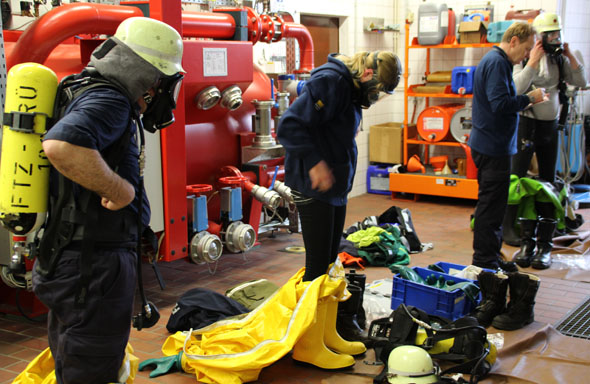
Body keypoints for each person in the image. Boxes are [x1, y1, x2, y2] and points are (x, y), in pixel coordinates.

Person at [31, 17, 185, 384]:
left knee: (76, 355)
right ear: (143, 71)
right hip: (92, 263)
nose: (156, 91)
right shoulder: (109, 99)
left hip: (73, 254)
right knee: (92, 363)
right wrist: (121, 191)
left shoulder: (81, 88)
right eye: (157, 79)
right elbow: (62, 146)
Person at [277, 51, 401, 282]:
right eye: (376, 90)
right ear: (367, 74)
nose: (374, 97)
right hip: (312, 185)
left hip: (335, 187)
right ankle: (310, 316)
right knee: (317, 268)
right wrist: (315, 164)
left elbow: (309, 94)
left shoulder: (351, 85)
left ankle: (325, 314)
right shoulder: (332, 81)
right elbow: (289, 125)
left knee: (329, 261)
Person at [506, 12, 587, 269]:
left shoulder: (559, 59)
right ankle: (512, 230)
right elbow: (516, 88)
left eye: (557, 34)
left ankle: (544, 239)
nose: (554, 39)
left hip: (549, 125)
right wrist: (533, 60)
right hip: (525, 123)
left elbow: (582, 81)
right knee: (516, 178)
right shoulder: (524, 58)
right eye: (549, 35)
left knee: (549, 179)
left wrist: (569, 55)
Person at [468, 22, 547, 271]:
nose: (526, 56)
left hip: (492, 145)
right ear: (513, 41)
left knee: (494, 206)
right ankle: (485, 263)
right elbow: (500, 104)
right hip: (492, 148)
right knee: (491, 209)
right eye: (525, 49)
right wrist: (528, 99)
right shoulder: (497, 63)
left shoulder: (497, 61)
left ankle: (491, 256)